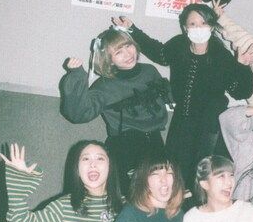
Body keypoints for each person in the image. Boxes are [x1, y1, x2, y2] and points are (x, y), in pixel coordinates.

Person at [110, 6, 253, 190]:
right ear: (185, 27)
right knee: (175, 176)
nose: (198, 28)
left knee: (202, 178)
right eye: (193, 24)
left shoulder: (221, 56)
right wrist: (132, 29)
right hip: (182, 121)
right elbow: (159, 53)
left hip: (210, 125)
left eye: (203, 23)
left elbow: (241, 92)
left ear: (211, 26)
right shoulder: (178, 45)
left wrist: (242, 66)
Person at [59, 26, 170, 191]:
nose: (127, 54)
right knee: (127, 194)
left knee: (157, 192)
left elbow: (168, 96)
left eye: (128, 46)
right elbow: (78, 114)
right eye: (118, 52)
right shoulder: (105, 85)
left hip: (155, 143)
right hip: (124, 147)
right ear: (109, 60)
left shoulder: (149, 71)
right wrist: (76, 76)